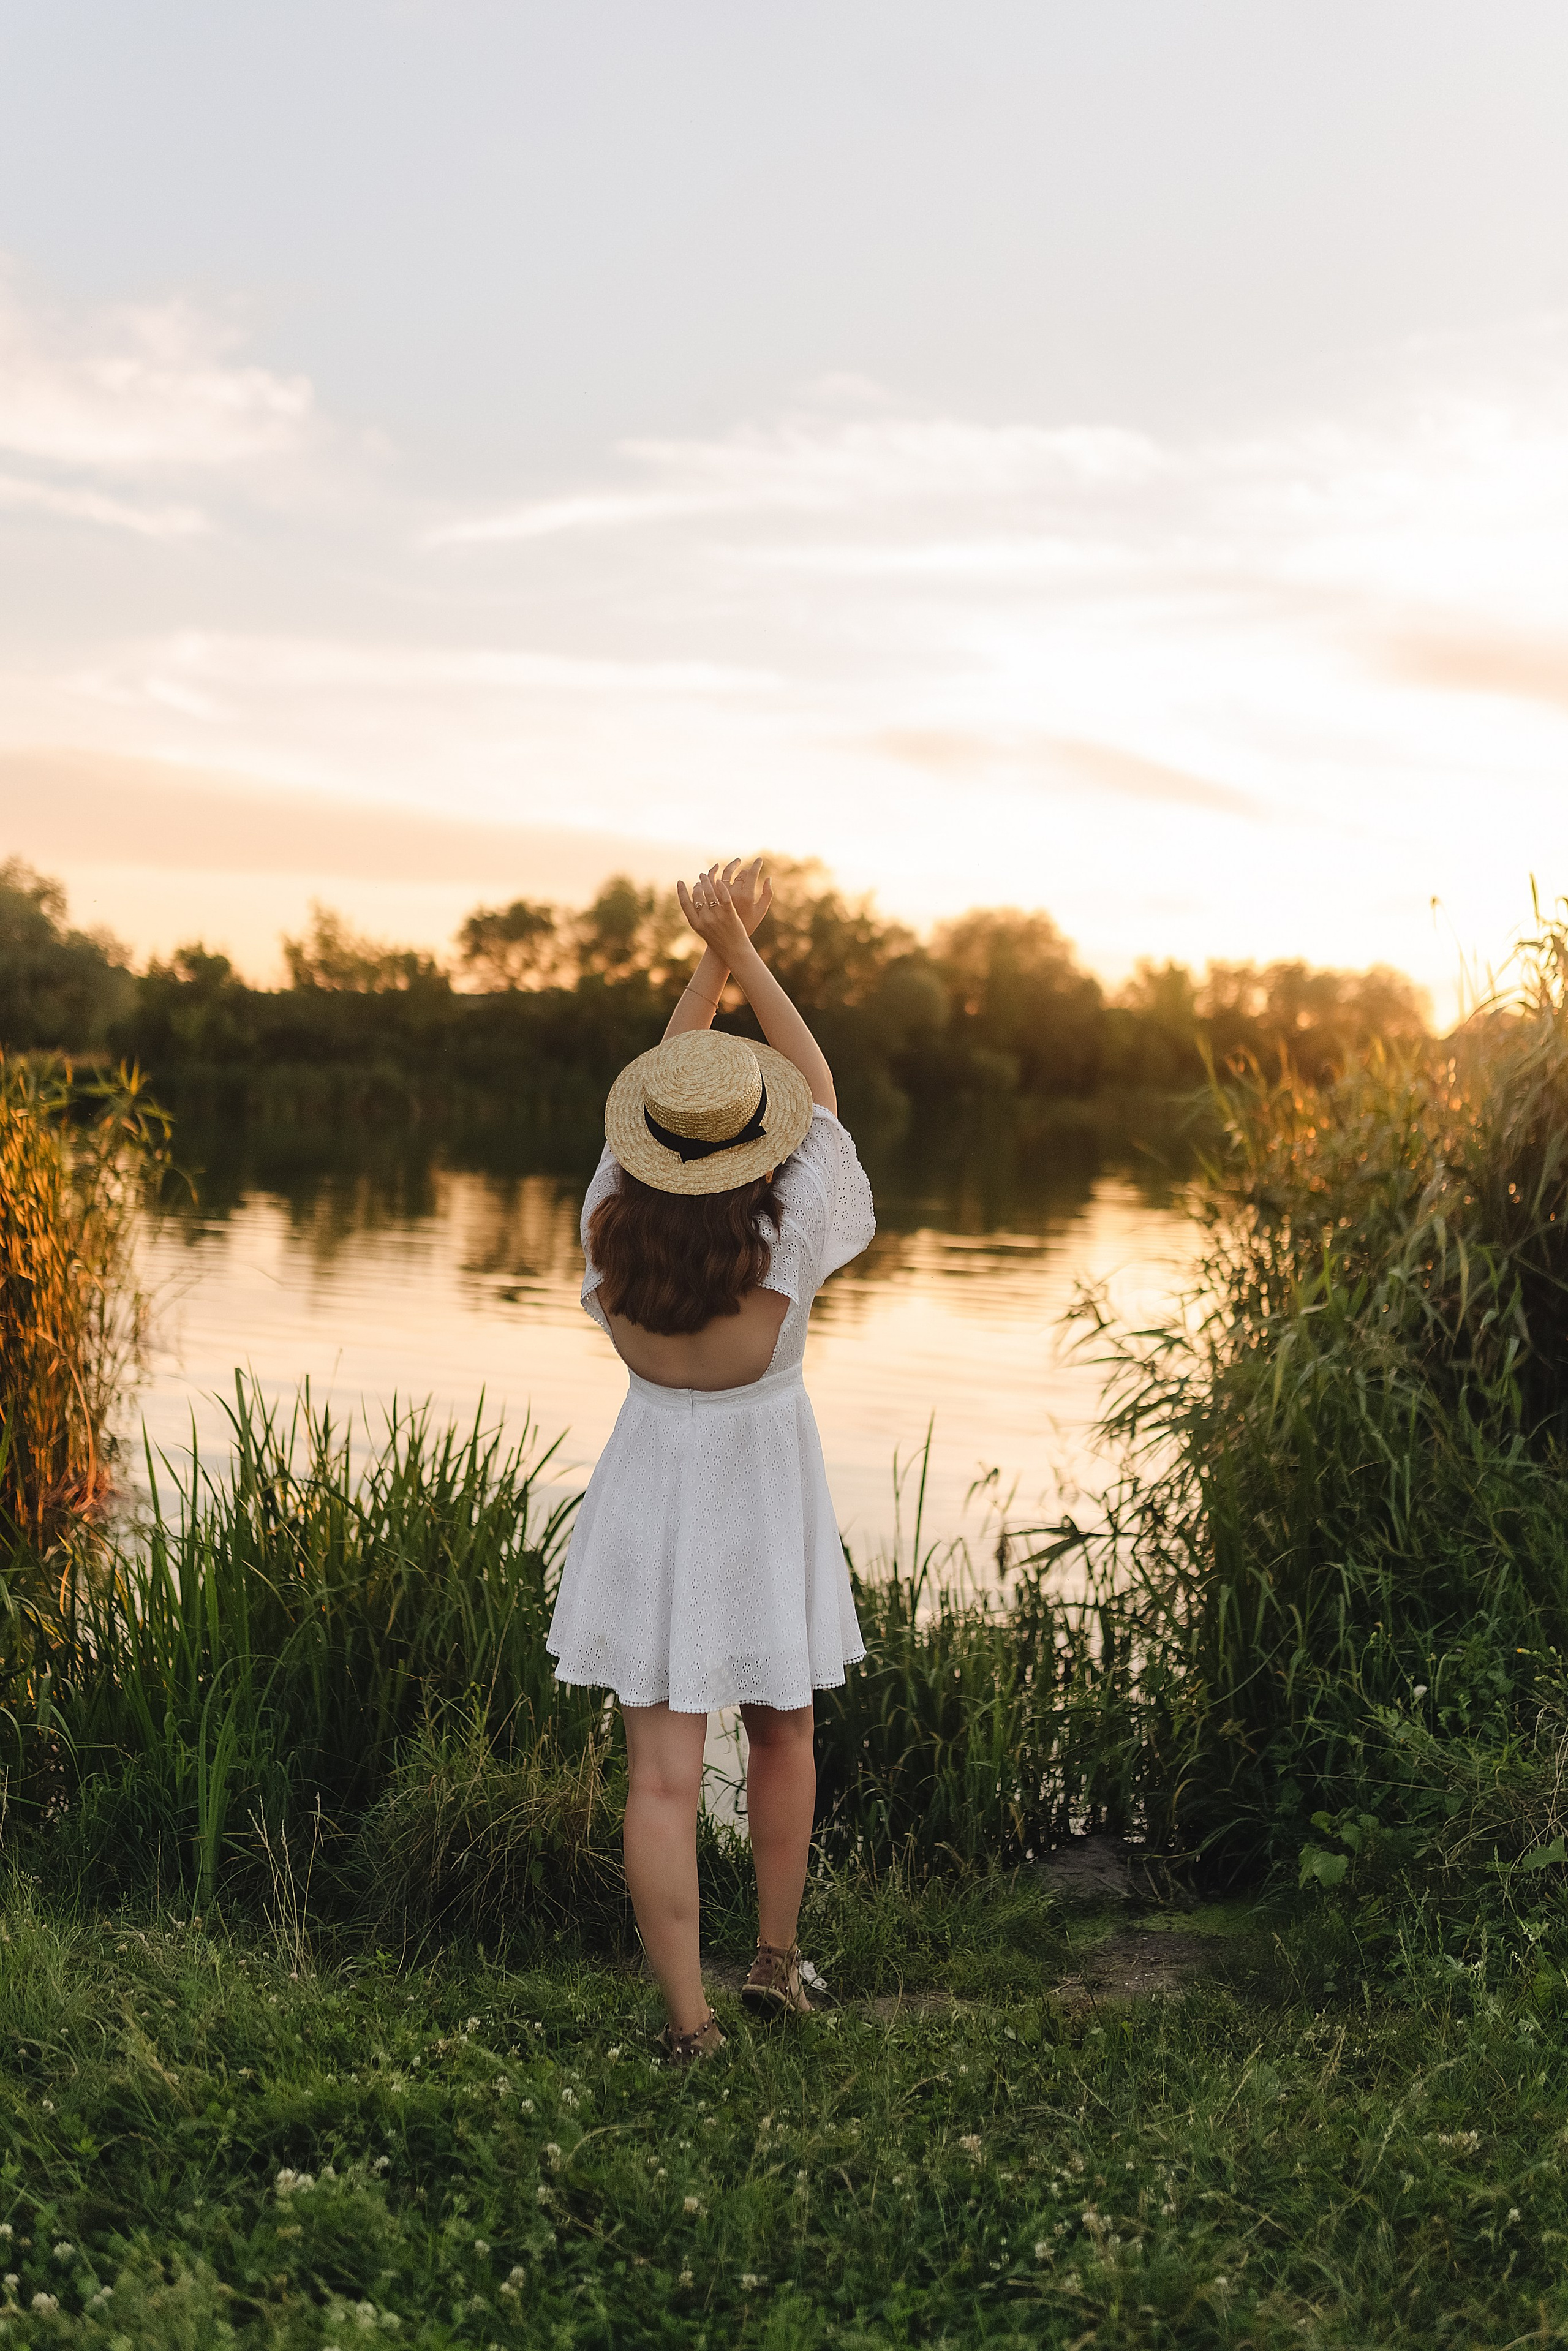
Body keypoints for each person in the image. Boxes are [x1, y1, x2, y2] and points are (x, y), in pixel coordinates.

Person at [546, 856, 876, 2064]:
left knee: (662, 1776)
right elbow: (821, 1091)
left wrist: (701, 962)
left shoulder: (609, 1215)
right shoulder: (787, 1216)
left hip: (649, 1487)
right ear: (756, 1138)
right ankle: (774, 1965)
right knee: (782, 1727)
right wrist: (739, 942)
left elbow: (645, 1094)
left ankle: (687, 2028)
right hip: (758, 1484)